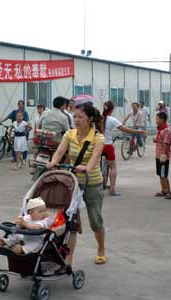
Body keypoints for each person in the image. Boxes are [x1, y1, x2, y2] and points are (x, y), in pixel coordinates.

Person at [47, 102, 106, 265]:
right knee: (69, 221)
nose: (76, 120)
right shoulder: (69, 134)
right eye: (75, 116)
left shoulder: (98, 137)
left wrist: (87, 167)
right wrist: (53, 162)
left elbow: (95, 157)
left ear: (90, 119)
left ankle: (101, 248)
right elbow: (60, 151)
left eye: (80, 117)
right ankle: (67, 258)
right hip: (72, 183)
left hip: (92, 183)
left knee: (95, 220)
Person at [102, 101, 147, 196]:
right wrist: (138, 132)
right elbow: (125, 129)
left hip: (97, 145)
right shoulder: (112, 119)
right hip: (107, 145)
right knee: (113, 167)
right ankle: (112, 190)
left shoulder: (97, 119)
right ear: (112, 109)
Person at [153, 112, 171, 199]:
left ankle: (168, 191)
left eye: (157, 119)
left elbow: (166, 143)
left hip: (163, 157)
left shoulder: (166, 130)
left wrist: (164, 155)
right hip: (158, 156)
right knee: (160, 173)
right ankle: (163, 190)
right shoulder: (160, 129)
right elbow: (160, 140)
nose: (156, 121)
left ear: (162, 120)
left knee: (164, 174)